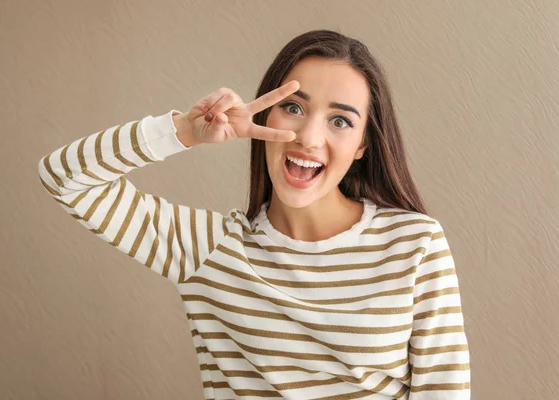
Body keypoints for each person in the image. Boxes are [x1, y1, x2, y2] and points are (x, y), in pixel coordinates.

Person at [38, 29, 470, 399]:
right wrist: (186, 131)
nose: (308, 137)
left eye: (340, 121)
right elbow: (63, 176)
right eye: (294, 107)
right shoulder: (209, 250)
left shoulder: (415, 245)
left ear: (362, 146)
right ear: (263, 114)